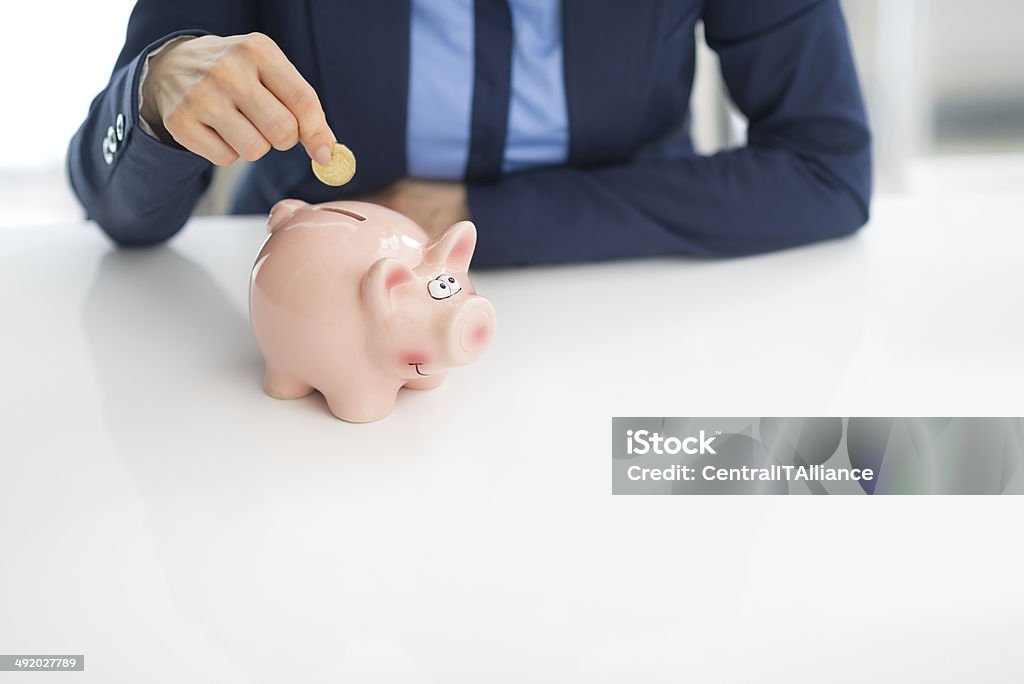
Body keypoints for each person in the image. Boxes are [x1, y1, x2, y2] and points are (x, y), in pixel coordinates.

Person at [68, 0, 872, 268]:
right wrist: (151, 90)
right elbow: (124, 216)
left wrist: (482, 215)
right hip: (310, 290)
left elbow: (825, 168)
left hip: (623, 283)